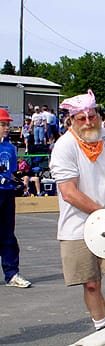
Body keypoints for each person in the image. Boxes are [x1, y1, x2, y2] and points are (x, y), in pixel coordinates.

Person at [49, 89, 105, 332]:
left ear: (99, 114)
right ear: (71, 120)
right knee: (91, 284)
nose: (88, 122)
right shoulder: (64, 146)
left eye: (92, 116)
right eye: (81, 118)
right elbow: (69, 193)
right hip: (77, 225)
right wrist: (104, 214)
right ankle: (103, 331)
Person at [0, 108, 32, 288]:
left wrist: (19, 182)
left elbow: (10, 172)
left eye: (7, 125)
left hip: (6, 192)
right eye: (3, 124)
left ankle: (12, 273)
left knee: (7, 234)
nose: (6, 128)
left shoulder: (9, 148)